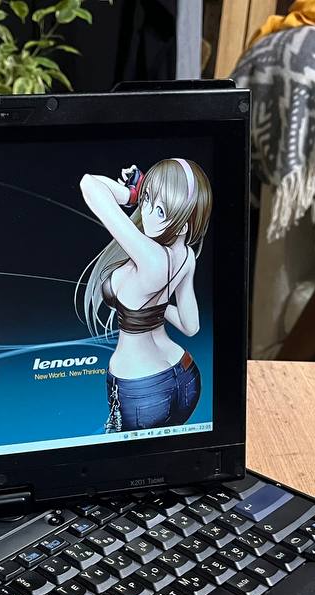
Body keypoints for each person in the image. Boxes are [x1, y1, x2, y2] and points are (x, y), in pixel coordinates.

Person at [77, 158, 212, 432]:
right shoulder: (186, 257)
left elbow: (89, 184)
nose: (147, 212)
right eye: (148, 199)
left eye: (160, 210)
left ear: (183, 225)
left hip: (141, 389)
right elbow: (191, 326)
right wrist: (155, 308)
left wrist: (132, 195)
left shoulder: (150, 256)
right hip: (186, 373)